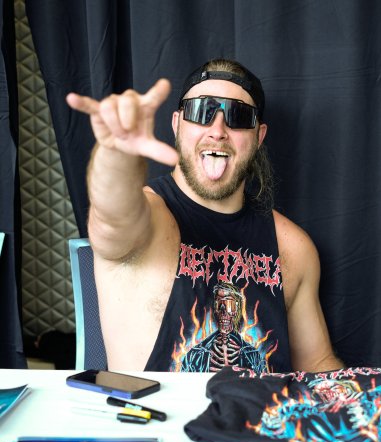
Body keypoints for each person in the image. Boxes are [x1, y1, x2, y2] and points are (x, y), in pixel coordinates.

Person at [66, 58, 344, 373]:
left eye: (238, 116)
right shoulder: (150, 218)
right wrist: (117, 153)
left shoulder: (293, 247)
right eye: (202, 111)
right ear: (177, 124)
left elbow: (318, 365)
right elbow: (112, 221)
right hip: (155, 407)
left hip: (262, 406)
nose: (218, 131)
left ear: (258, 136)